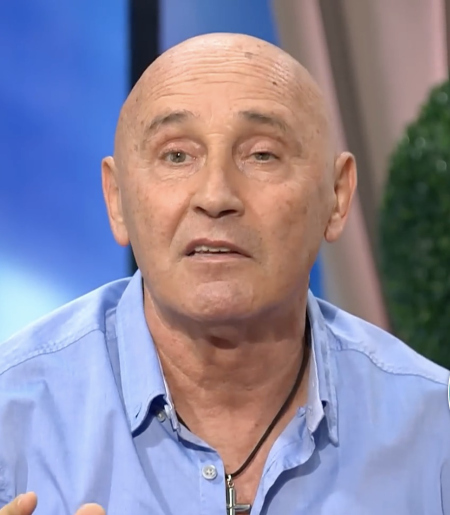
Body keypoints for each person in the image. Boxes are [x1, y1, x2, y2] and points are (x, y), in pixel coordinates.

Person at [0, 32, 449, 515]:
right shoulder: (13, 415)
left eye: (262, 154)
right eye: (177, 155)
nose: (215, 196)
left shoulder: (433, 426)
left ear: (336, 196)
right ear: (117, 199)